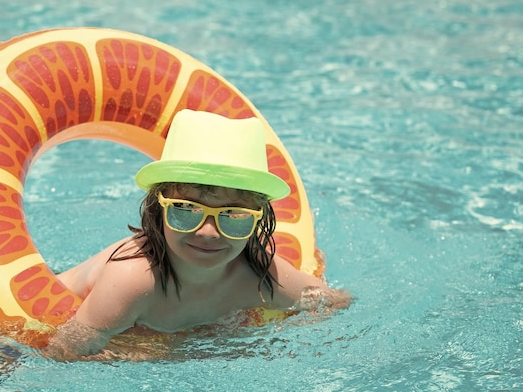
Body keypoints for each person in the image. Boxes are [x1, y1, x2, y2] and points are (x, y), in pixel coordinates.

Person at [47, 109, 351, 360]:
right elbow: (64, 351)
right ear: (159, 207)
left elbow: (334, 301)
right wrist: (161, 354)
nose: (208, 232)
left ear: (259, 218)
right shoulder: (133, 279)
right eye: (186, 209)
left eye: (233, 215)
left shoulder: (258, 276)